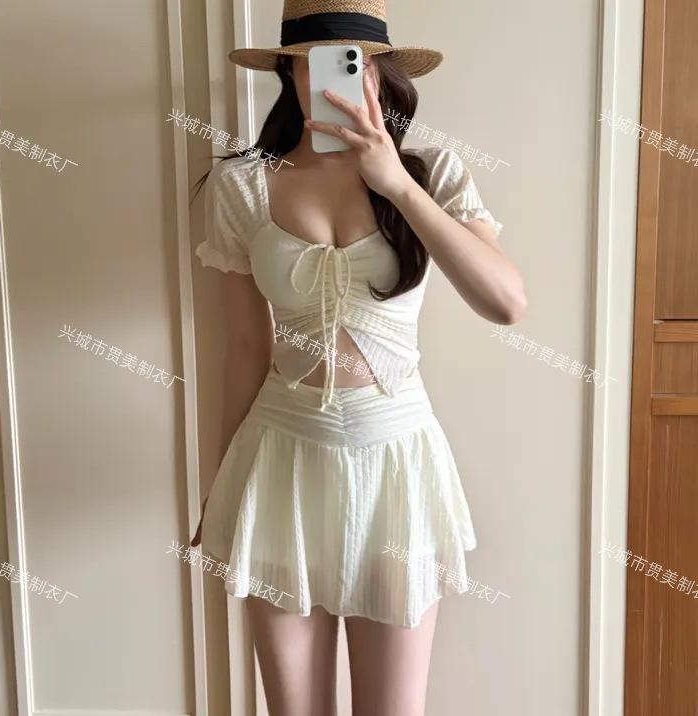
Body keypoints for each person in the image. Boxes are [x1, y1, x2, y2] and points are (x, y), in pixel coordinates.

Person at [191, 1, 526, 714]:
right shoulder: (243, 186)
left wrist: (395, 182)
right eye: (315, 60)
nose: (337, 76)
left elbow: (506, 303)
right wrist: (219, 488)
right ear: (288, 70)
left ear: (380, 71)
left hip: (396, 466)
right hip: (278, 466)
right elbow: (244, 347)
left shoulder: (432, 172)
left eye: (356, 60)